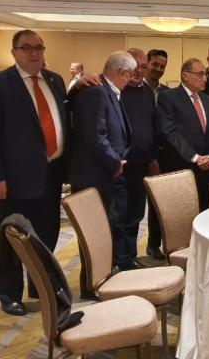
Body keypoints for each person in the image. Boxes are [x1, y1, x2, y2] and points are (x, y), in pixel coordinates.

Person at [0, 29, 69, 316]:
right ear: (14, 52)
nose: (34, 53)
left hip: (51, 174)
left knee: (47, 233)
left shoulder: (55, 81)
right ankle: (9, 293)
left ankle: (39, 285)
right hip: (13, 180)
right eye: (26, 48)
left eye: (38, 47)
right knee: (12, 237)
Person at [69, 51, 134, 274]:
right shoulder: (96, 91)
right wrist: (115, 162)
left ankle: (103, 275)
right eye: (130, 75)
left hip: (104, 174)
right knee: (93, 236)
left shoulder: (107, 91)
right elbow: (95, 136)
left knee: (104, 231)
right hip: (92, 176)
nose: (130, 80)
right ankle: (92, 282)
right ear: (122, 72)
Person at [156, 58, 209, 210]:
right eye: (200, 74)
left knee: (204, 211)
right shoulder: (168, 97)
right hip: (180, 167)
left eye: (205, 74)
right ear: (185, 76)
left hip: (207, 170)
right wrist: (195, 157)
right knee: (180, 213)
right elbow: (169, 131)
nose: (205, 78)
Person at [118, 48, 158, 265]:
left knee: (135, 216)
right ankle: (118, 262)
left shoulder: (147, 92)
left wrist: (152, 158)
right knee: (118, 218)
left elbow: (151, 126)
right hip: (119, 167)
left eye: (143, 67)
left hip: (141, 165)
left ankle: (130, 258)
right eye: (134, 66)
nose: (139, 71)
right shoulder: (115, 91)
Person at [142, 48, 167, 258]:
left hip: (161, 155)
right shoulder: (133, 89)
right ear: (146, 64)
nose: (158, 69)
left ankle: (153, 244)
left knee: (158, 202)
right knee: (132, 208)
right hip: (136, 155)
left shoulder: (166, 93)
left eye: (162, 66)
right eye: (155, 65)